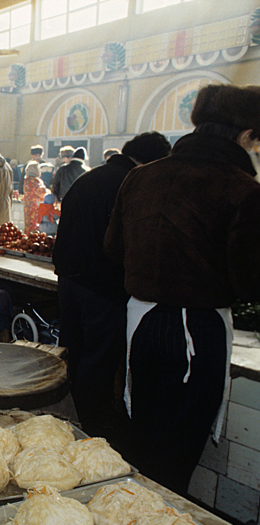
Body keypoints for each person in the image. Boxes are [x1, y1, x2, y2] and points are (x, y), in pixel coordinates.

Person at [104, 84, 260, 495]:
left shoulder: (141, 176)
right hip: (198, 330)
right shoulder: (243, 189)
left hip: (140, 324)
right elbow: (250, 281)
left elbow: (113, 249)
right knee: (176, 452)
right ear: (245, 136)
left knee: (141, 436)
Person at [52, 132, 171, 441]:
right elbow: (124, 243)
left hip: (69, 279)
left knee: (71, 350)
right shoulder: (131, 183)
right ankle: (87, 425)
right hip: (101, 285)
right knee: (99, 357)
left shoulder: (92, 177)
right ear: (153, 160)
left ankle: (63, 416)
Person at [21, 161, 48, 234]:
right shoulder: (35, 181)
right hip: (35, 208)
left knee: (28, 226)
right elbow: (42, 192)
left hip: (27, 207)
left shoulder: (26, 180)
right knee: (35, 228)